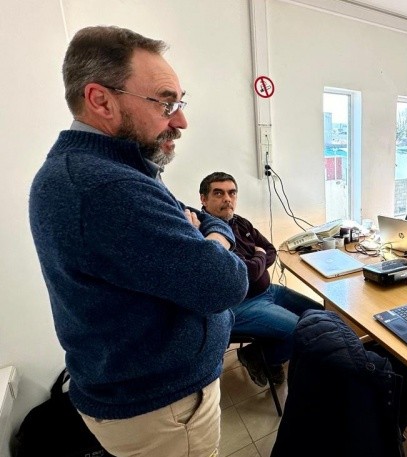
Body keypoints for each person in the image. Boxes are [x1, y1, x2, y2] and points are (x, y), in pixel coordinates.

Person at [28, 26, 249, 457]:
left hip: (150, 396)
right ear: (100, 100)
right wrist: (218, 241)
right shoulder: (105, 187)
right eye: (166, 102)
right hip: (165, 411)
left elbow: (200, 216)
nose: (181, 120)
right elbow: (225, 284)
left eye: (180, 103)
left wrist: (209, 230)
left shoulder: (119, 169)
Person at [199, 172, 323, 386]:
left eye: (232, 193)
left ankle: (264, 348)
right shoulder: (207, 235)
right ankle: (260, 357)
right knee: (303, 332)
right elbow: (246, 273)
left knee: (321, 315)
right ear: (203, 199)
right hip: (240, 305)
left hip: (269, 291)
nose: (227, 199)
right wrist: (259, 257)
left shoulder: (241, 223)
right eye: (218, 193)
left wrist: (258, 259)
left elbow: (270, 249)